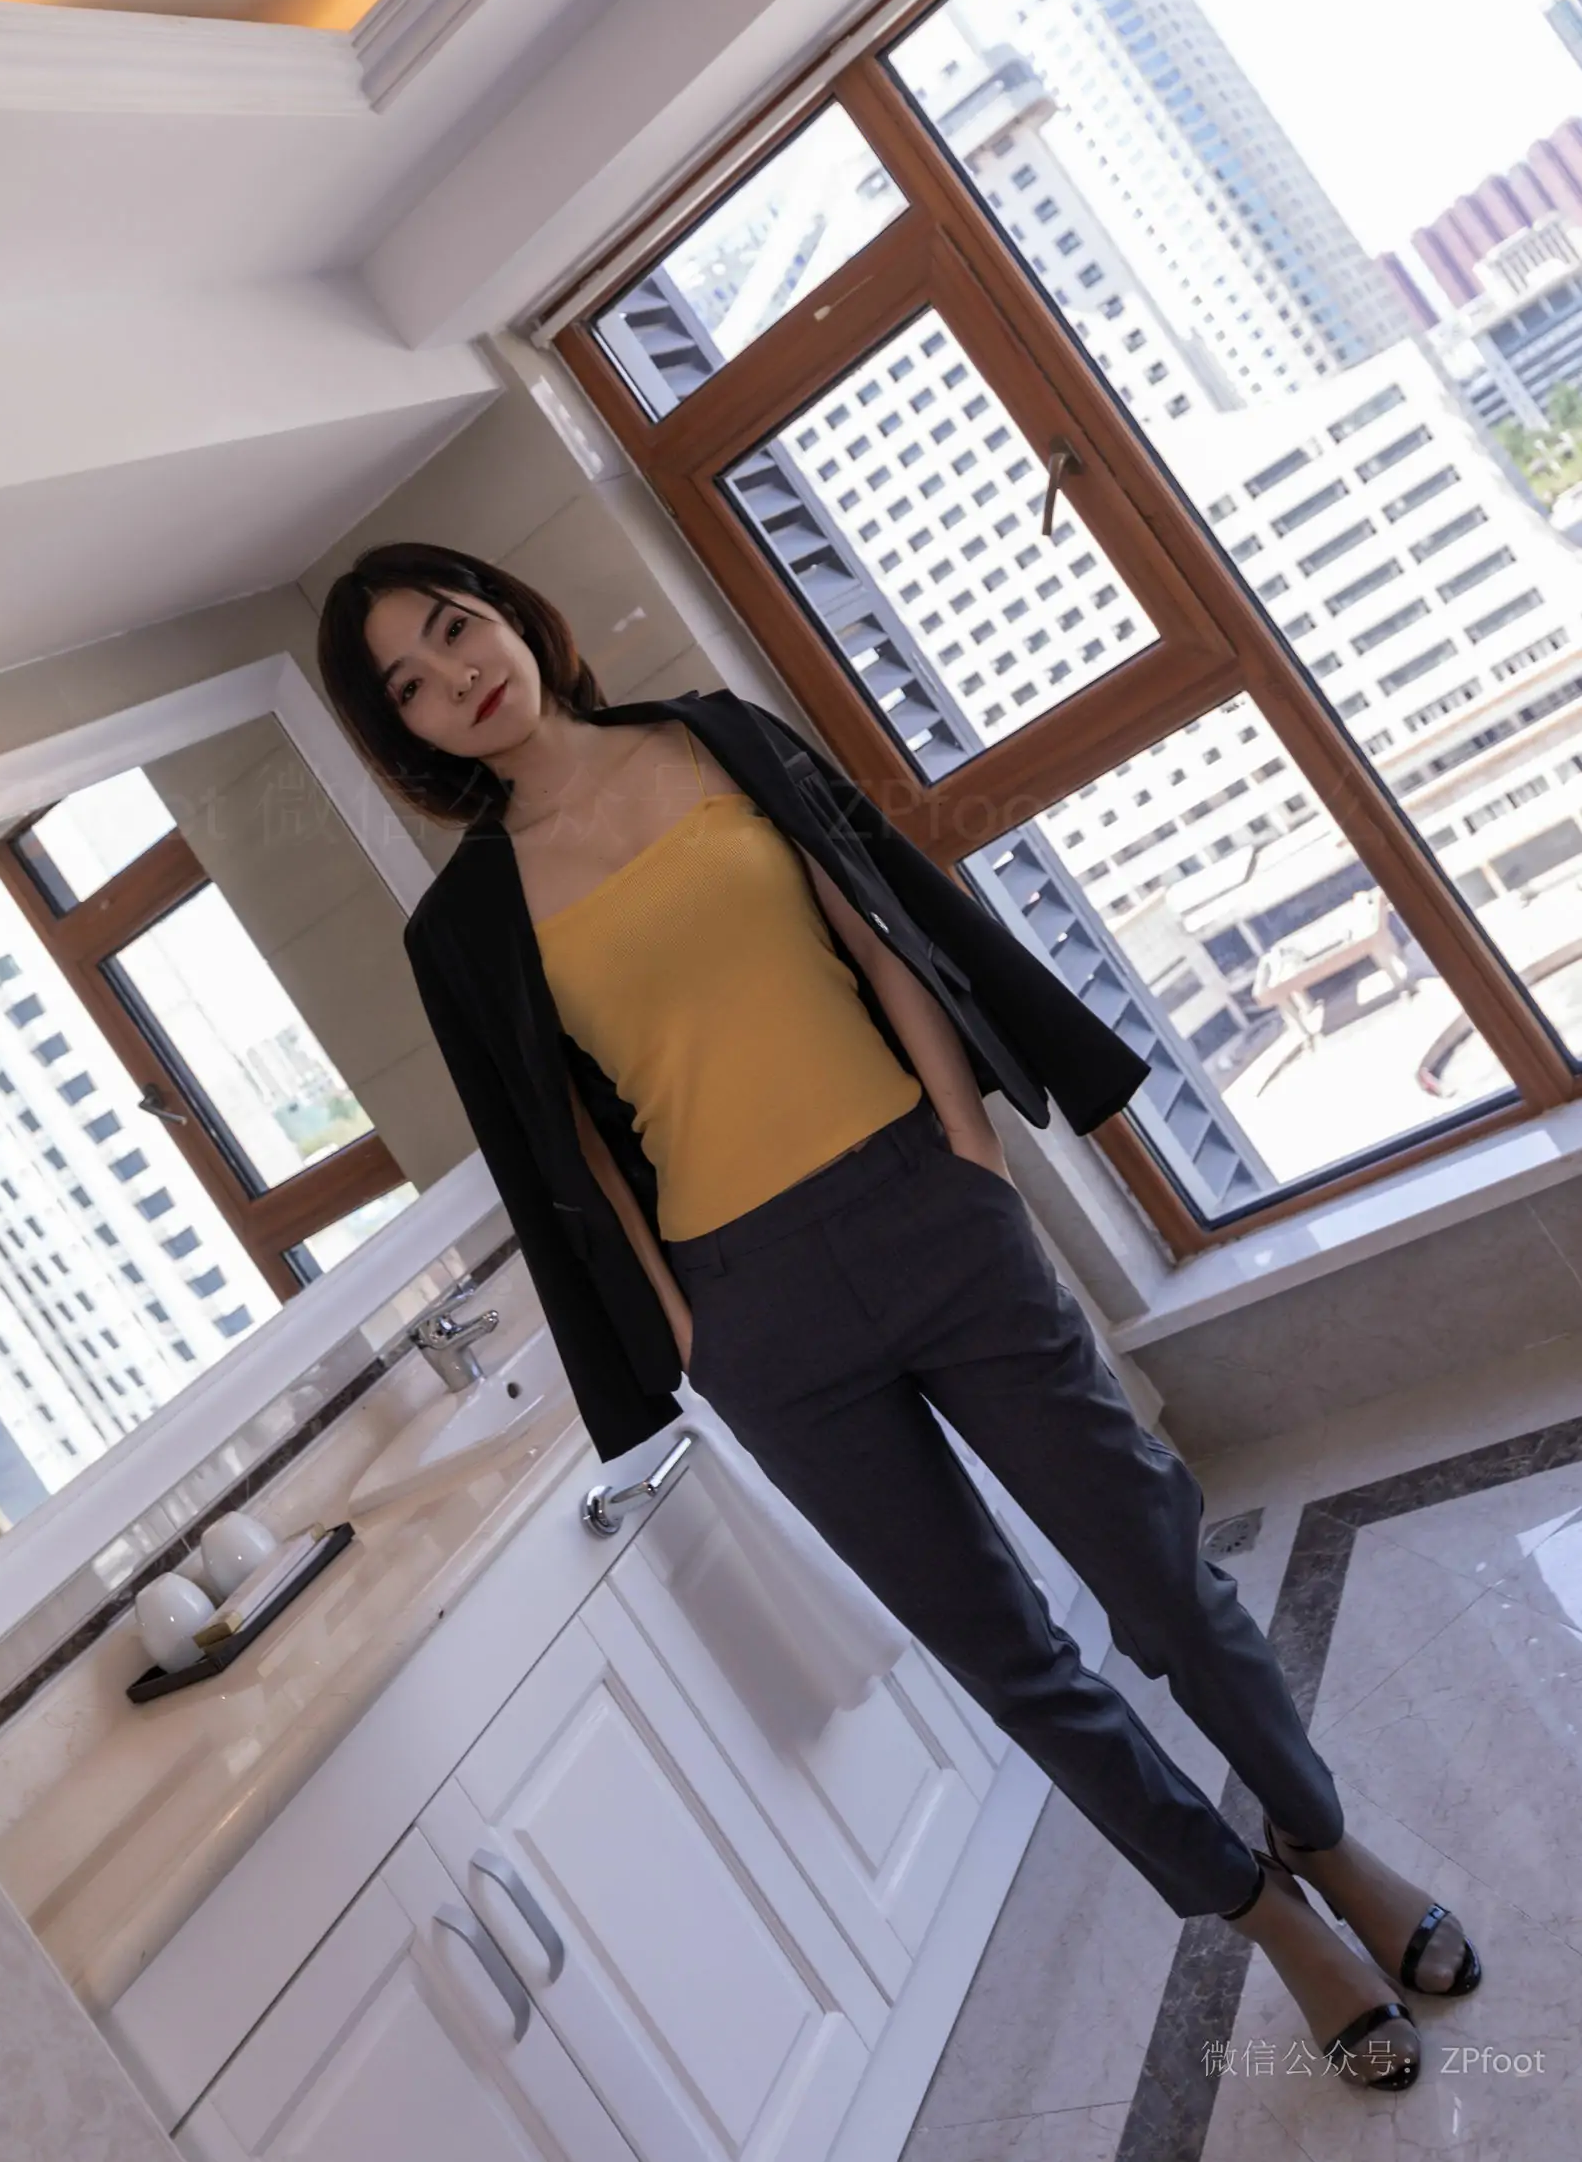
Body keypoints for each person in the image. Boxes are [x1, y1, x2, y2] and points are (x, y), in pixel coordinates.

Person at [319, 538, 1481, 2095]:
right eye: (410, 684)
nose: (457, 676)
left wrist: (967, 1145)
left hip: (928, 1209)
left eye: (457, 628)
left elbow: (877, 927)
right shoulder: (461, 927)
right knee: (1013, 1660)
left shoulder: (713, 739)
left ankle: (1325, 1838)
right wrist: (690, 1332)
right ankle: (1264, 1918)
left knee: (1156, 1570)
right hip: (756, 1316)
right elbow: (565, 1150)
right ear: (405, 734)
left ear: (516, 617)